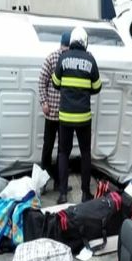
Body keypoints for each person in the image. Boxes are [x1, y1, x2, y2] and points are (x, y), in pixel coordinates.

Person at [52, 26, 101, 205]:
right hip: (83, 117)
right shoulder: (90, 60)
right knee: (85, 153)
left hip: (65, 116)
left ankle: (63, 194)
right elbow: (97, 87)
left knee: (63, 153)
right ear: (85, 41)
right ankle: (86, 193)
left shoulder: (63, 58)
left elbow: (55, 83)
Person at [38, 32, 69, 193]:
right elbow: (42, 81)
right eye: (64, 48)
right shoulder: (51, 58)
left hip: (65, 114)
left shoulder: (71, 59)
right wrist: (44, 102)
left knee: (62, 150)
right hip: (51, 113)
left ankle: (59, 183)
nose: (66, 51)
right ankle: (43, 184)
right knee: (48, 148)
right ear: (61, 45)